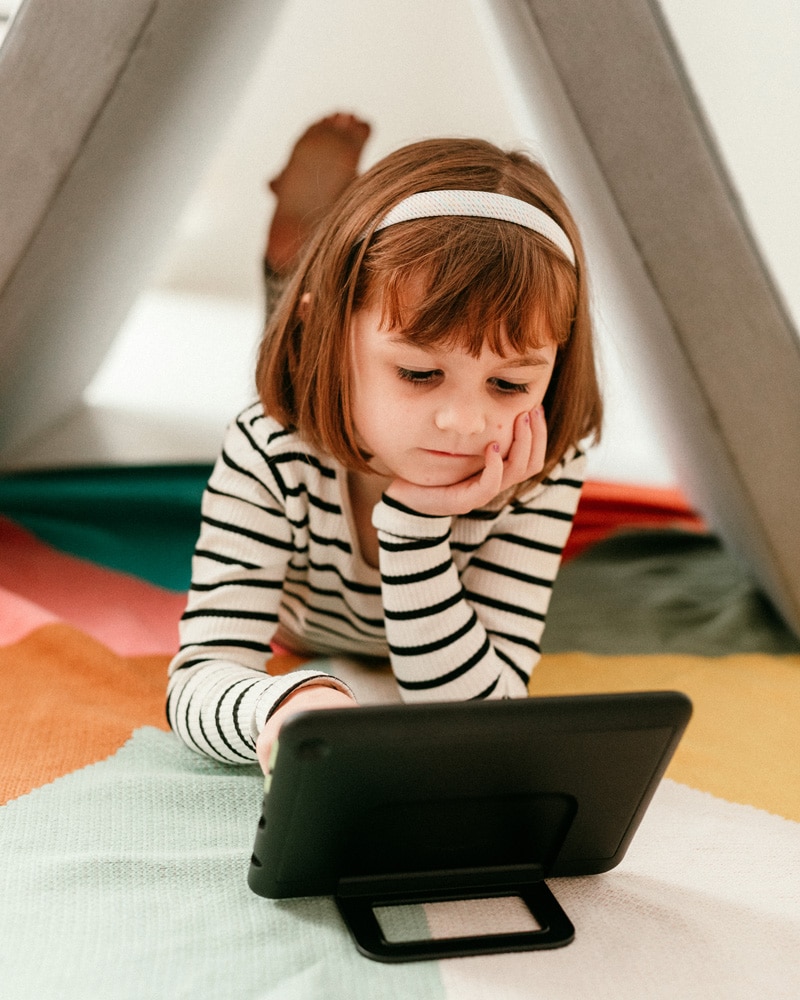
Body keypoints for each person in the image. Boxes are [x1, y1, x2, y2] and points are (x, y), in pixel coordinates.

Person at [167, 114, 602, 774]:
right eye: (420, 373)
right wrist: (287, 706)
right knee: (291, 365)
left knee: (347, 359)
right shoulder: (267, 447)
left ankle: (312, 257)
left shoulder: (539, 461)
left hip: (430, 623)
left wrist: (415, 528)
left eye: (510, 382)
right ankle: (299, 265)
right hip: (304, 618)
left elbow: (476, 720)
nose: (463, 422)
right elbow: (200, 677)